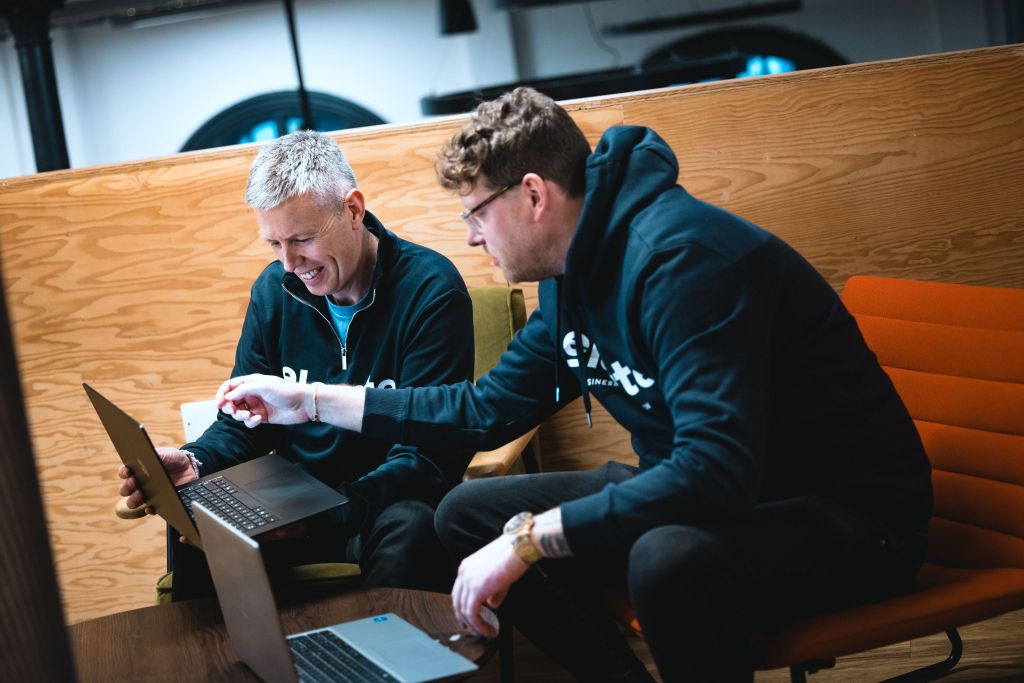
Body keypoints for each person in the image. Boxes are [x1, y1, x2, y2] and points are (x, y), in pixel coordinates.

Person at [214, 88, 933, 681]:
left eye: (476, 214)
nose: (471, 238)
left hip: (844, 518)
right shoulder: (570, 280)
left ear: (533, 195)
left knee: (665, 558)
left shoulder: (684, 262)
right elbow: (484, 409)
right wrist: (307, 400)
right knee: (465, 514)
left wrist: (530, 541)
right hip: (712, 497)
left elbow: (715, 471)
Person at [117, 129, 475, 600]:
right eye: (274, 244)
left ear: (353, 210)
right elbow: (244, 423)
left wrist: (329, 514)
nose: (289, 264)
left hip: (383, 501)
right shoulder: (275, 291)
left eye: (303, 239)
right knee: (198, 514)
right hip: (296, 500)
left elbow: (426, 457)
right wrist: (195, 461)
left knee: (411, 524)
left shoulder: (430, 290)